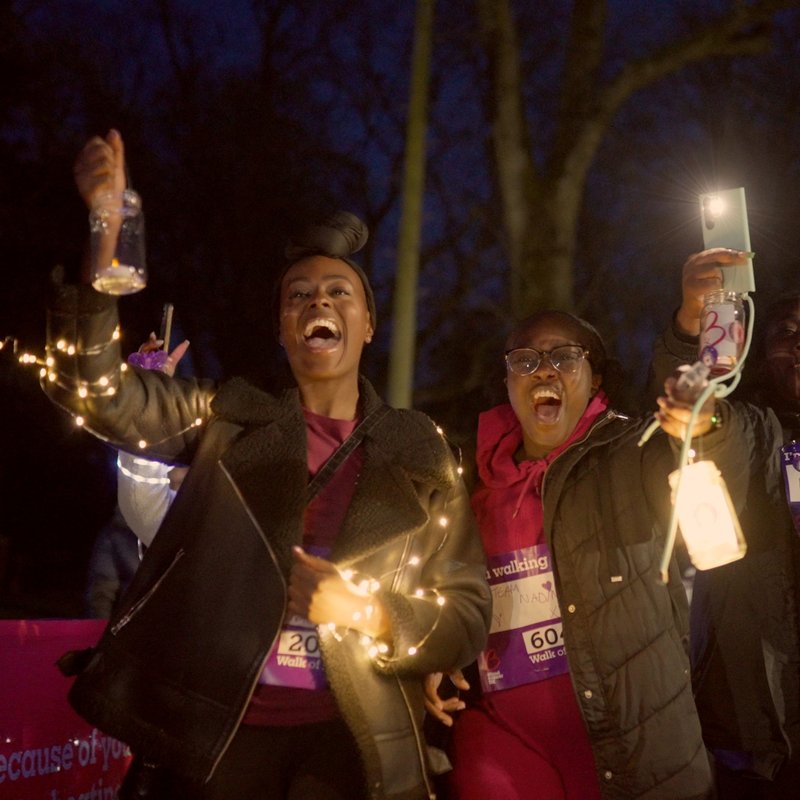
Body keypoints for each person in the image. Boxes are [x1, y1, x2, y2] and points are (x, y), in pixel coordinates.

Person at [46, 131, 491, 800]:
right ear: (283, 329)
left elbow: (466, 614)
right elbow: (98, 393)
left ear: (368, 323)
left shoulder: (419, 447)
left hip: (351, 743)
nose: (318, 302)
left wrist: (369, 613)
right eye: (298, 296)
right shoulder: (225, 415)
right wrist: (103, 239)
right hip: (217, 744)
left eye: (339, 292)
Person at [426, 308, 781, 799]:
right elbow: (445, 595)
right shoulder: (468, 491)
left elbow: (718, 463)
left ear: (595, 379)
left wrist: (706, 426)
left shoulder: (632, 454)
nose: (544, 371)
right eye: (525, 360)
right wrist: (435, 648)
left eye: (565, 357)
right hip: (506, 737)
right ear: (506, 382)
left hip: (633, 739)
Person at [649, 249, 800, 799]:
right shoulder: (757, 429)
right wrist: (701, 412)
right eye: (786, 331)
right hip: (752, 729)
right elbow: (718, 434)